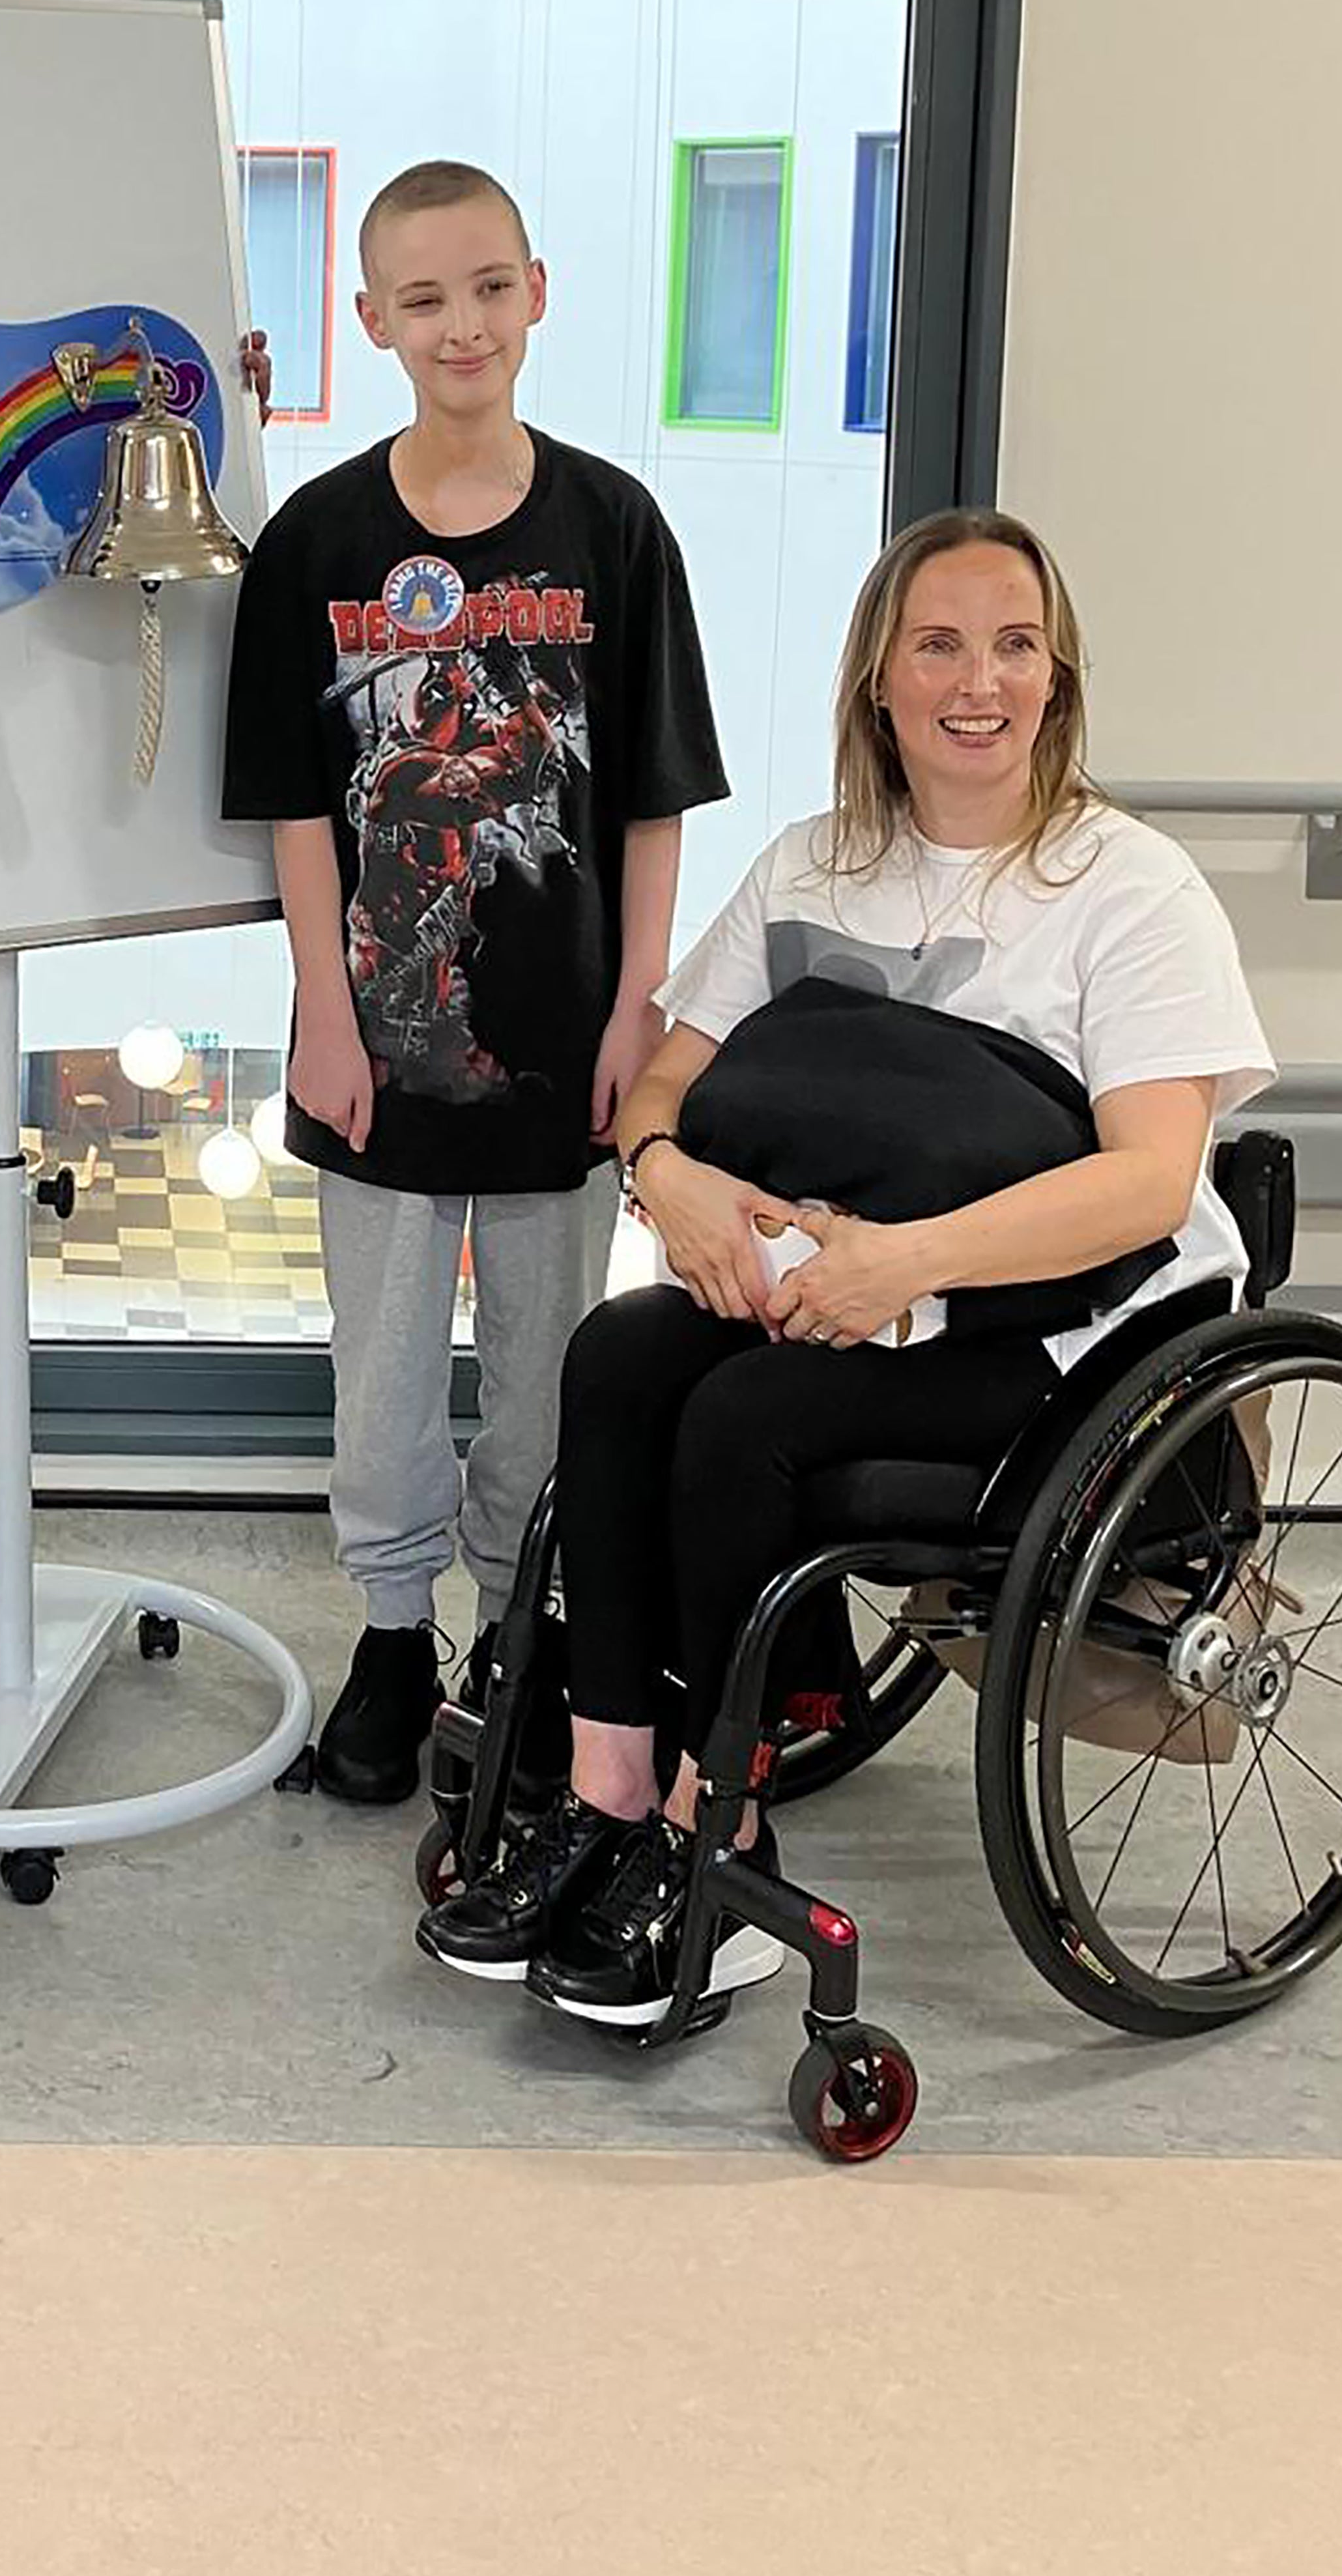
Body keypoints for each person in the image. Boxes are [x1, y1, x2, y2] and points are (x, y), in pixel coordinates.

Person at [416, 505, 1274, 2027]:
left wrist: (902, 1265)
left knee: (747, 1418)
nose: (976, 681)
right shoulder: (817, 866)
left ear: (1056, 677)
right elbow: (664, 1089)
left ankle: (715, 1833)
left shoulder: (1127, 889)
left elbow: (1148, 1183)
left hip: (1064, 1336)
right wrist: (670, 1185)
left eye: (1014, 646)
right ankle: (609, 1786)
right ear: (877, 677)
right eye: (936, 644)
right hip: (830, 1292)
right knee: (617, 1359)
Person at [221, 159, 726, 1809]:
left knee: (541, 1368)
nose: (461, 325)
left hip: (564, 1043)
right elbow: (298, 803)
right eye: (422, 299)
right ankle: (388, 1635)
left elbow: (646, 799)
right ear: (368, 320)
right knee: (376, 1375)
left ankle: (519, 1628)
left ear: (536, 291)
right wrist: (321, 1003)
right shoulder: (316, 542)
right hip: (381, 1041)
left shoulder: (613, 529)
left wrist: (636, 1009)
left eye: (487, 288)